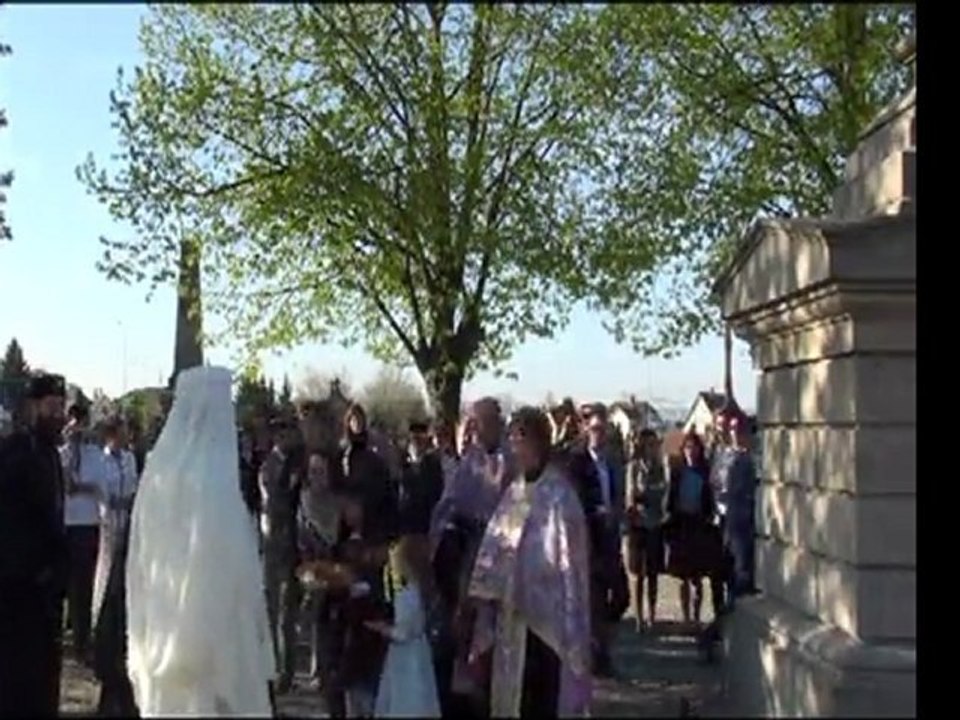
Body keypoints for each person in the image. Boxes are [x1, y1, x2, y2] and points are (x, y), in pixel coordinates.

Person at [125, 366, 274, 716]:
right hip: (212, 646)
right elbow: (228, 570)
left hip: (162, 633)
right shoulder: (214, 479)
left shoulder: (158, 472)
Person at [467, 406, 592, 717]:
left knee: (539, 703)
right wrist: (487, 587)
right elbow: (495, 545)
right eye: (512, 439)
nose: (515, 448)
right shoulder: (514, 493)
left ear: (540, 441)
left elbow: (571, 567)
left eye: (522, 439)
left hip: (547, 628)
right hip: (510, 622)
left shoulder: (560, 496)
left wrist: (533, 586)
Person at [429, 397, 512, 718]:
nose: (481, 430)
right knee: (462, 637)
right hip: (468, 561)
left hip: (504, 562)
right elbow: (447, 506)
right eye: (476, 423)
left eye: (488, 421)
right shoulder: (469, 462)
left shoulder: (513, 462)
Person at [0, 373, 70, 716]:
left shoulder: (51, 455)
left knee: (44, 679)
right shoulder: (14, 451)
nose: (58, 415)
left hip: (45, 590)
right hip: (16, 588)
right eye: (51, 407)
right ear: (32, 408)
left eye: (61, 408)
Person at [570, 405, 628, 677]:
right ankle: (597, 656)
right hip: (589, 541)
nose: (599, 435)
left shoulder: (612, 461)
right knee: (594, 602)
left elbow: (617, 495)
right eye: (594, 429)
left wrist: (618, 513)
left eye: (603, 430)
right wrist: (595, 512)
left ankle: (601, 647)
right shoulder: (577, 462)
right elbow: (574, 501)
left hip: (611, 539)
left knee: (620, 598)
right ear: (585, 429)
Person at [369, 535, 442, 718]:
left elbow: (405, 631)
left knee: (404, 703)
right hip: (419, 653)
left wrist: (382, 628)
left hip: (406, 657)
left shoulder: (407, 593)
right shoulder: (425, 589)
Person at [259, 414, 304, 693]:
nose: (288, 438)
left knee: (290, 613)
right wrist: (290, 488)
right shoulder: (269, 466)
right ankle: (274, 669)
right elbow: (274, 502)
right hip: (274, 543)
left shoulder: (296, 462)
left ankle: (288, 672)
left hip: (293, 545)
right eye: (283, 434)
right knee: (274, 609)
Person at [60, 401, 105, 665]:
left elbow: (98, 487)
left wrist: (80, 487)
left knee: (85, 585)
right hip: (67, 524)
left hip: (88, 524)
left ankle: (83, 639)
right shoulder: (62, 453)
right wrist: (79, 486)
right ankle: (71, 637)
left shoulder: (94, 455)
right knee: (69, 585)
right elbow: (66, 486)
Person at [664, 432, 721, 627]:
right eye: (687, 447)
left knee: (697, 575)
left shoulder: (705, 471)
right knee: (683, 575)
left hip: (699, 523)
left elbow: (710, 498)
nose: (691, 451)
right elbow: (670, 498)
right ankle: (686, 616)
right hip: (681, 524)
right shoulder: (678, 472)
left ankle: (696, 616)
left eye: (694, 447)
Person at [625, 428, 667, 630]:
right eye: (647, 444)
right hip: (638, 525)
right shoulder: (634, 467)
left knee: (653, 573)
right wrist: (643, 496)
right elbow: (631, 496)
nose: (651, 448)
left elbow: (662, 491)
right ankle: (638, 616)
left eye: (654, 444)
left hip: (655, 524)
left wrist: (646, 494)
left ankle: (652, 613)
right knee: (637, 573)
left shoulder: (659, 468)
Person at [398, 421, 445, 536]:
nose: (416, 443)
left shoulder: (433, 464)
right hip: (406, 523)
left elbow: (435, 492)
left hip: (426, 523)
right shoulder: (402, 463)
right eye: (413, 439)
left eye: (420, 439)